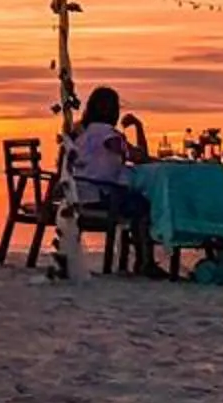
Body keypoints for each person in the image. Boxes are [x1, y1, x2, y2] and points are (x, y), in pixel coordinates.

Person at [67, 85, 156, 274]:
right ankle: (144, 261)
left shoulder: (81, 134)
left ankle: (133, 260)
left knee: (133, 201)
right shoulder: (109, 136)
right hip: (102, 196)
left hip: (78, 195)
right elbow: (140, 158)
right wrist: (138, 127)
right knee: (145, 206)